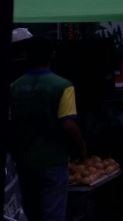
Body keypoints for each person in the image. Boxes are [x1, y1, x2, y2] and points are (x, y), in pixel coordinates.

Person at [10, 37, 87, 221]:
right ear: (52, 56)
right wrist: (81, 148)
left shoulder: (14, 87)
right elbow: (68, 124)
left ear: (26, 56)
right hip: (53, 160)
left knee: (29, 211)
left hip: (23, 161)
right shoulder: (63, 86)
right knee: (53, 213)